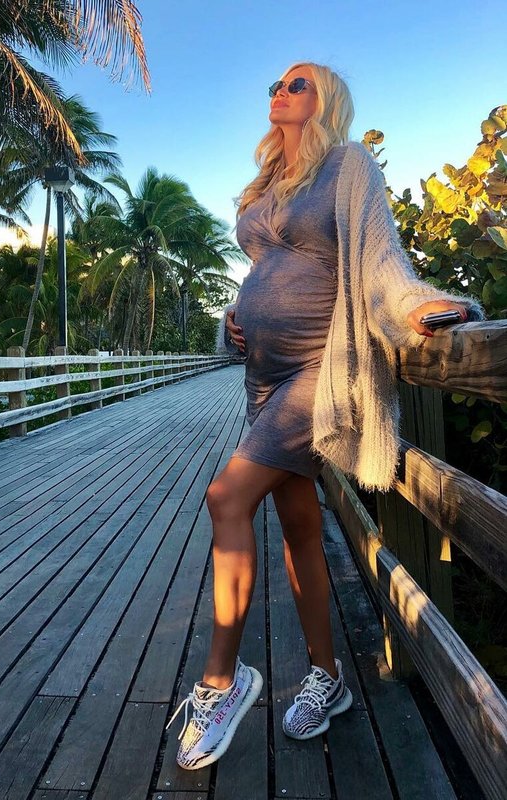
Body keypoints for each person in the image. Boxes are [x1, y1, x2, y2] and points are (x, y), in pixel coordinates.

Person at [165, 61, 485, 771]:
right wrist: (232, 319)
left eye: (296, 84)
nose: (279, 93)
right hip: (261, 375)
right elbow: (263, 275)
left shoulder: (347, 164)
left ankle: (220, 682)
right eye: (275, 86)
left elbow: (379, 255)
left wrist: (416, 306)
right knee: (300, 529)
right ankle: (328, 677)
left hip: (319, 367)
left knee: (225, 497)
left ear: (326, 101)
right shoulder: (265, 185)